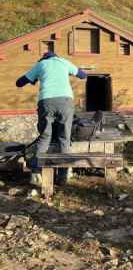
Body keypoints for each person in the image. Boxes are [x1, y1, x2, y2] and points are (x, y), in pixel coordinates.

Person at [16, 52, 87, 183]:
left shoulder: (40, 65)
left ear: (43, 58)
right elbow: (83, 75)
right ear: (56, 57)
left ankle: (36, 174)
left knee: (44, 137)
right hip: (65, 102)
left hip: (46, 102)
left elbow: (19, 83)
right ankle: (62, 177)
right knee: (64, 138)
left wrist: (35, 78)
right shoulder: (63, 62)